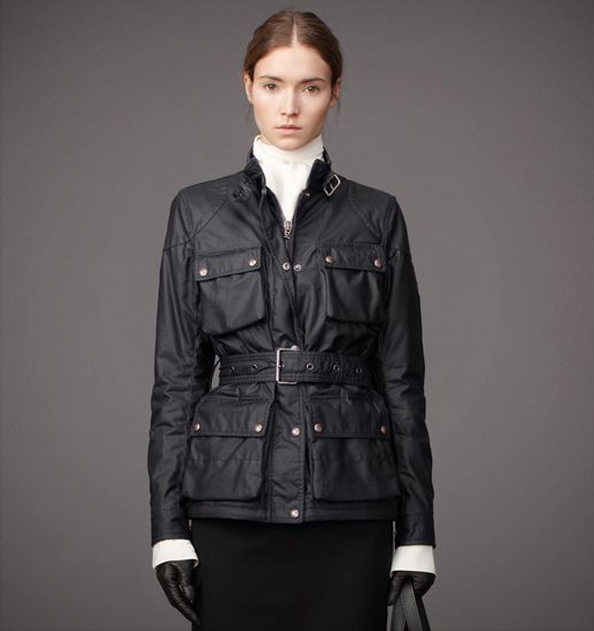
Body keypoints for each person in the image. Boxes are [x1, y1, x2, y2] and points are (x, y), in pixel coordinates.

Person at [147, 9, 436, 631]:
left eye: (311, 86)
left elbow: (402, 382)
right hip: (230, 503)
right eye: (273, 84)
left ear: (335, 92)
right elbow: (176, 382)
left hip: (351, 502)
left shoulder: (377, 215)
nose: (290, 106)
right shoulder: (196, 212)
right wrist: (168, 530)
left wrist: (417, 534)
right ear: (247, 85)